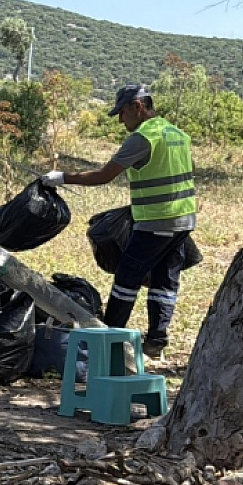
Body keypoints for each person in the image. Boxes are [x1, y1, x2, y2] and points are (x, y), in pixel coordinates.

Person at [41, 84, 195, 358]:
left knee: (127, 278)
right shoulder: (176, 133)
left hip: (155, 220)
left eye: (123, 113)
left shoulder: (143, 138)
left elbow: (104, 176)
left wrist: (63, 177)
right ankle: (156, 340)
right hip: (183, 220)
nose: (121, 120)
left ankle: (109, 336)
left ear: (137, 107)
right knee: (165, 279)